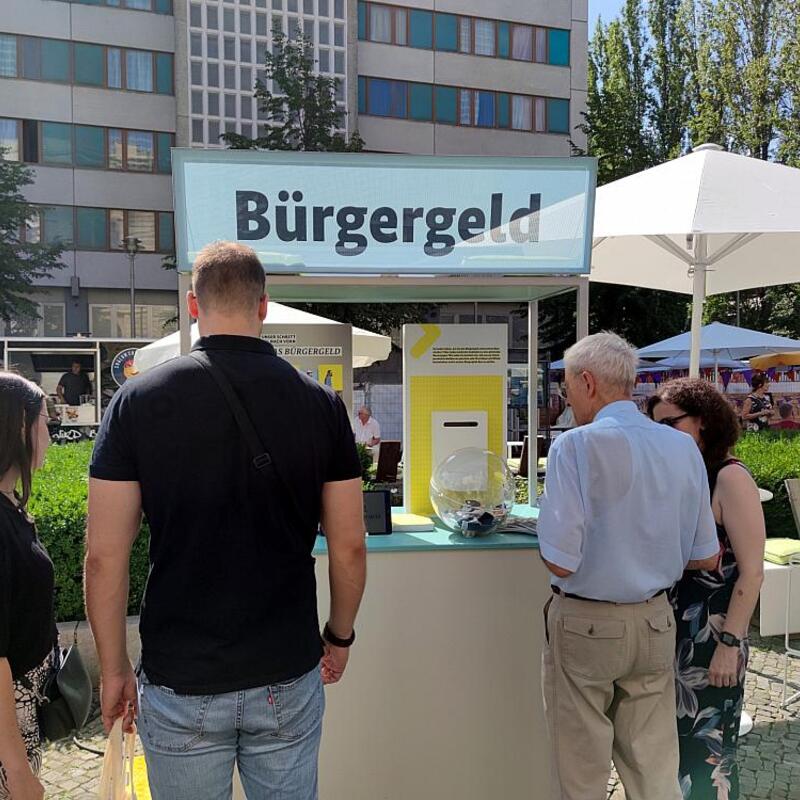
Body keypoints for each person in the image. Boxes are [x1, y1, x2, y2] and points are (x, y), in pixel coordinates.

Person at [85, 241, 367, 800]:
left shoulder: (137, 401)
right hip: (286, 668)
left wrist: (114, 667)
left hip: (181, 673)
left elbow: (102, 556)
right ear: (264, 306)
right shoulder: (321, 405)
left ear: (194, 306)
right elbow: (349, 546)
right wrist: (339, 636)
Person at [537, 332, 720, 800]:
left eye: (567, 389)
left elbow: (559, 561)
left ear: (587, 382)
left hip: (586, 623)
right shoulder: (682, 448)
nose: (567, 399)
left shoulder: (574, 446)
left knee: (580, 773)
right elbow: (705, 554)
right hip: (655, 620)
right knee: (654, 772)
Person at [649, 379, 766, 799]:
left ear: (703, 422)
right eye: (654, 425)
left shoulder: (729, 478)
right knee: (676, 753)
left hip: (713, 640)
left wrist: (730, 644)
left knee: (709, 757)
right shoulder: (687, 479)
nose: (660, 433)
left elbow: (751, 573)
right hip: (675, 637)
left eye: (669, 423)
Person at [0, 373, 55, 800]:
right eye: (45, 424)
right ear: (20, 427)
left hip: (21, 714)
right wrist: (17, 771)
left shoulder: (11, 506)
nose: (50, 438)